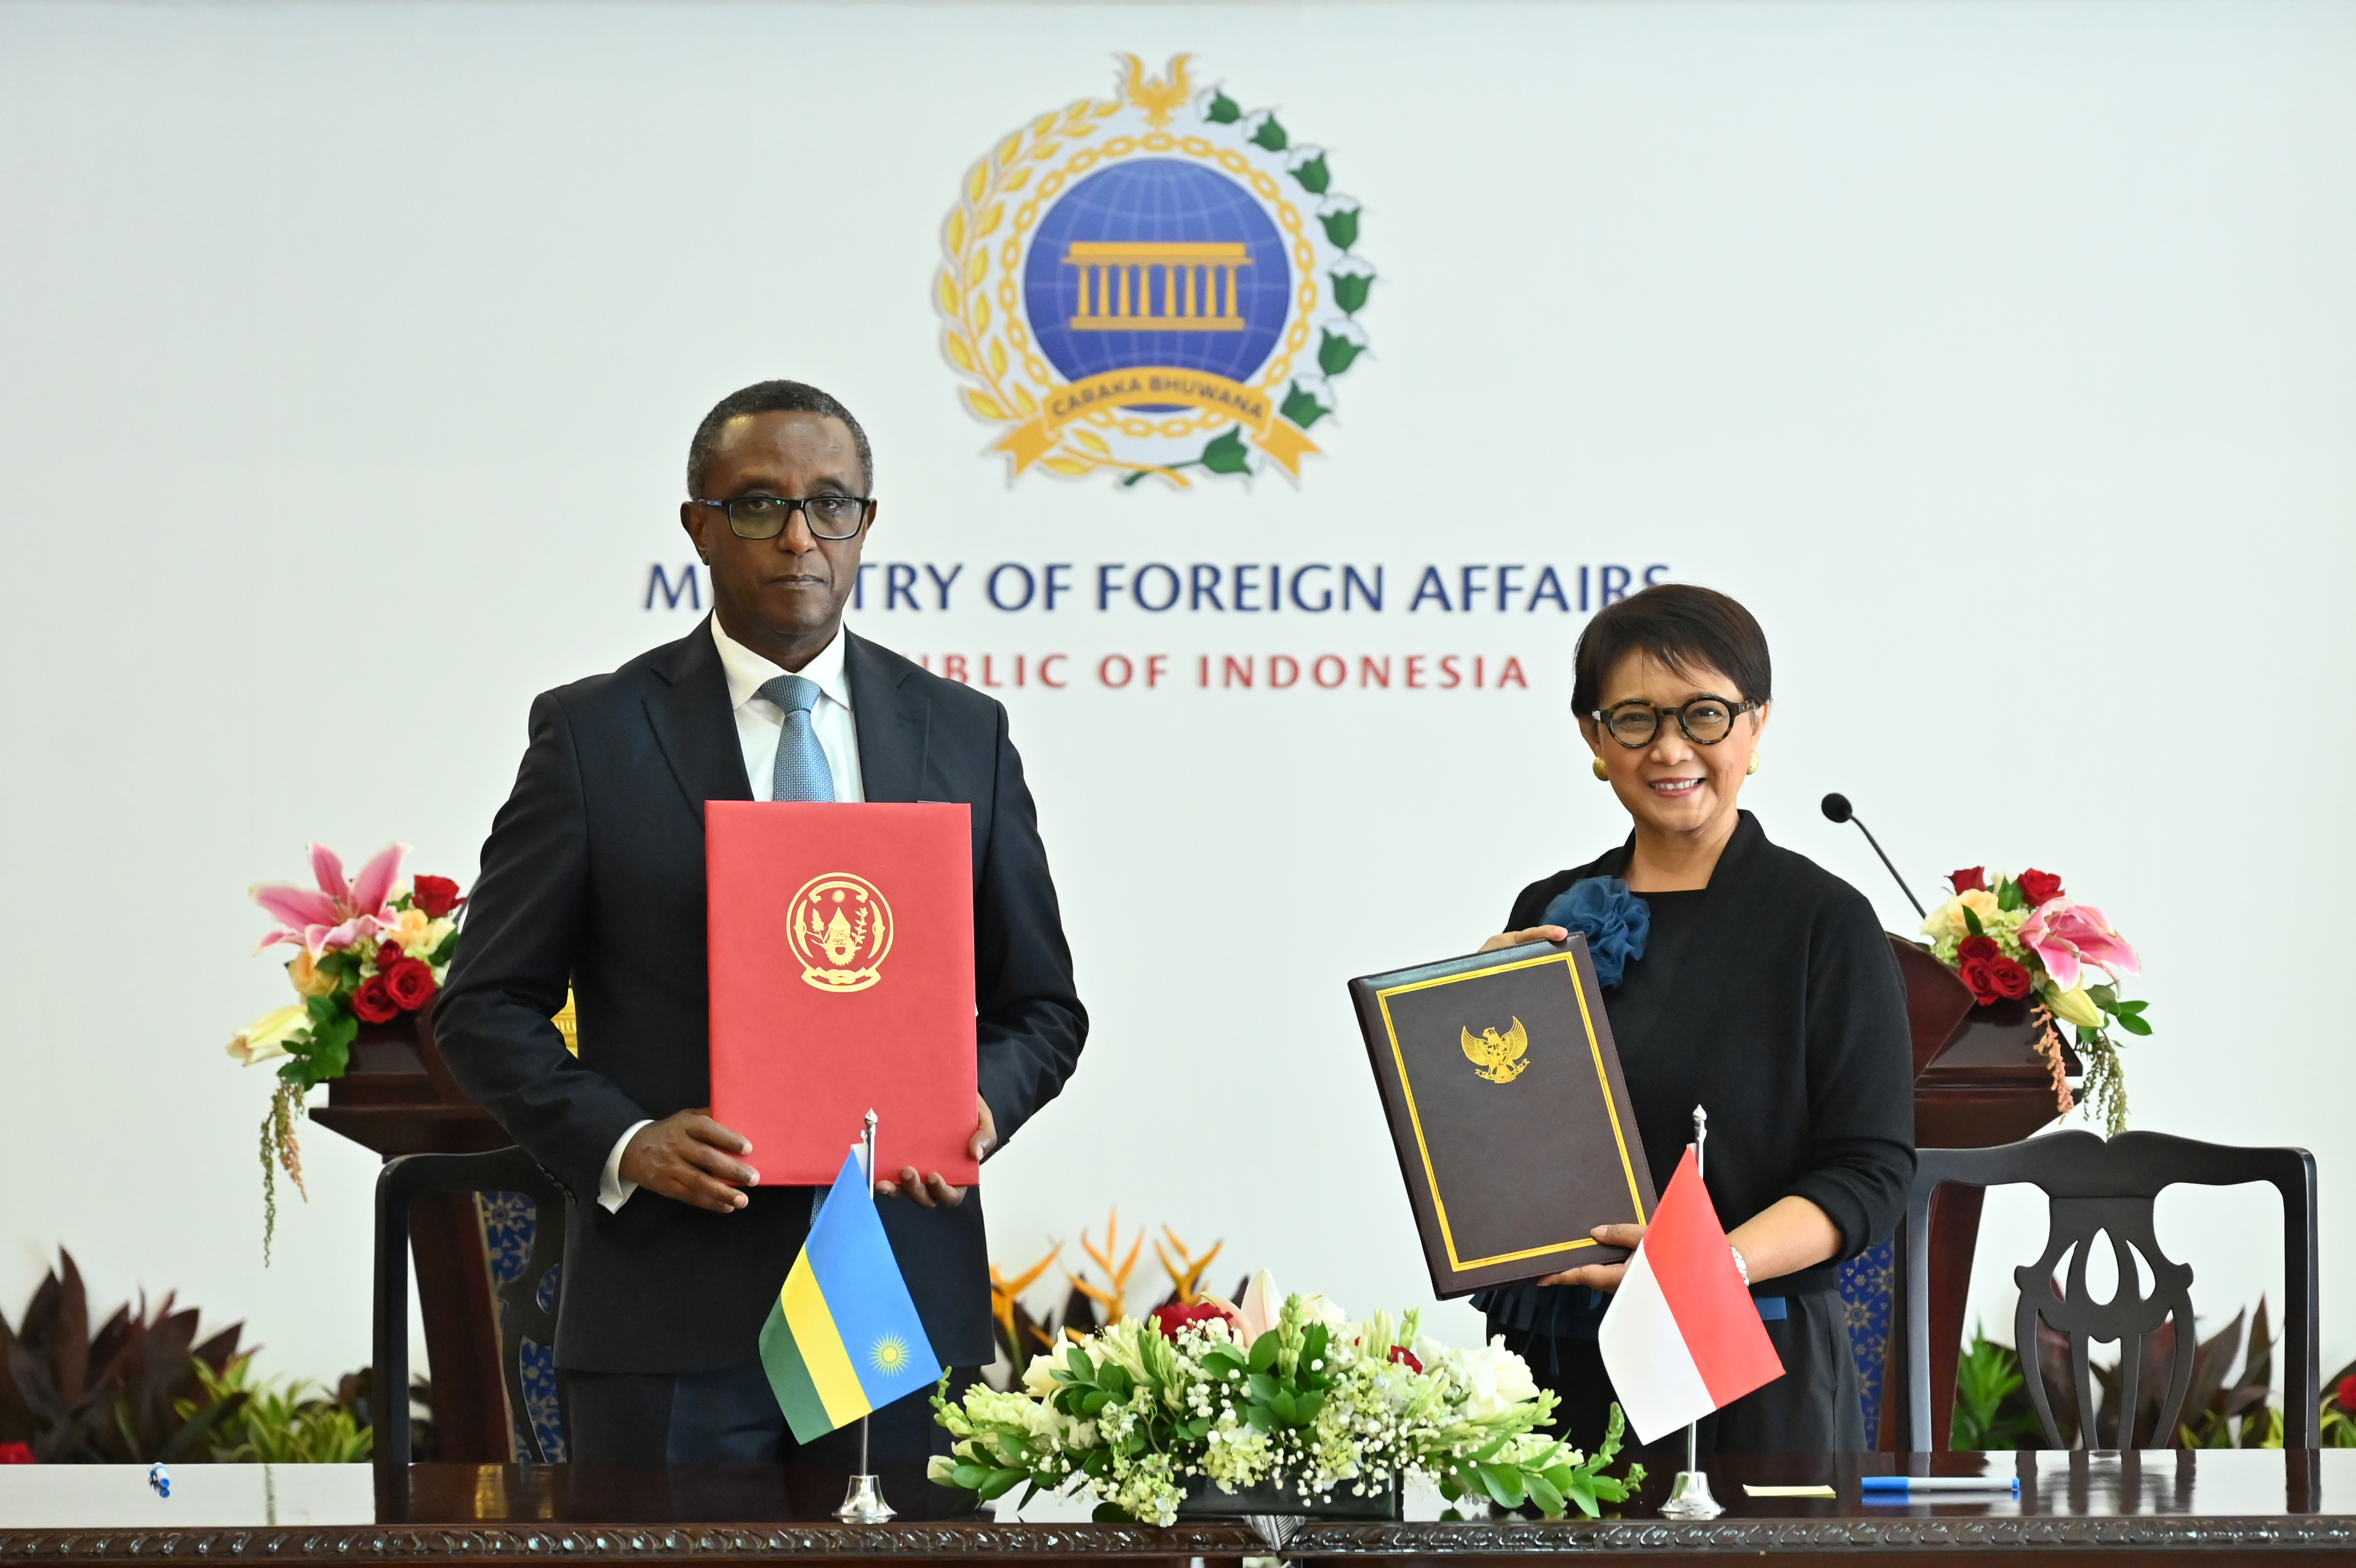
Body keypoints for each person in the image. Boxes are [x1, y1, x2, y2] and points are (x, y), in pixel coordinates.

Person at [435, 379, 1087, 1464]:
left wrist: (973, 1102)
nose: (797, 536)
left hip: (896, 1310)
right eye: (755, 505)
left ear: (867, 526)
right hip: (668, 1313)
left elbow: (1041, 1007)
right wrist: (626, 1141)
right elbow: (484, 1005)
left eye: (830, 504)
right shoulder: (593, 736)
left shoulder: (960, 734)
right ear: (696, 524)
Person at [1473, 583, 1912, 1457]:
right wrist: (1469, 1030)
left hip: (1749, 1359)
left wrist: (1708, 1265)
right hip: (1553, 1361)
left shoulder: (1822, 921)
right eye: (1634, 719)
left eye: (1704, 715)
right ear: (1594, 739)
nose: (1670, 747)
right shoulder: (1549, 911)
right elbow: (1506, 1149)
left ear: (1754, 727)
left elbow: (1869, 1172)